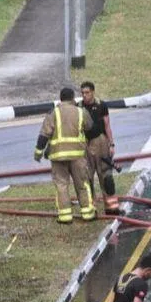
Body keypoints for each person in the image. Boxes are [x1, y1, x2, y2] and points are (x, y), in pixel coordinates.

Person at [35, 87, 95, 224]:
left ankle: (65, 216)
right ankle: (87, 213)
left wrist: (38, 152)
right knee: (82, 184)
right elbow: (90, 127)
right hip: (78, 155)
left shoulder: (53, 113)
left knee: (62, 185)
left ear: (60, 98)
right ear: (73, 98)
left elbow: (44, 134)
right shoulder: (81, 112)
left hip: (58, 156)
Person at [80, 81, 120, 215]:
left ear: (93, 92)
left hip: (101, 142)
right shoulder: (79, 107)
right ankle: (92, 209)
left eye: (87, 92)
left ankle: (112, 208)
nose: (85, 95)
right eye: (83, 93)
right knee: (87, 178)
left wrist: (111, 144)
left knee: (106, 177)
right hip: (86, 144)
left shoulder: (101, 105)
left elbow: (107, 126)